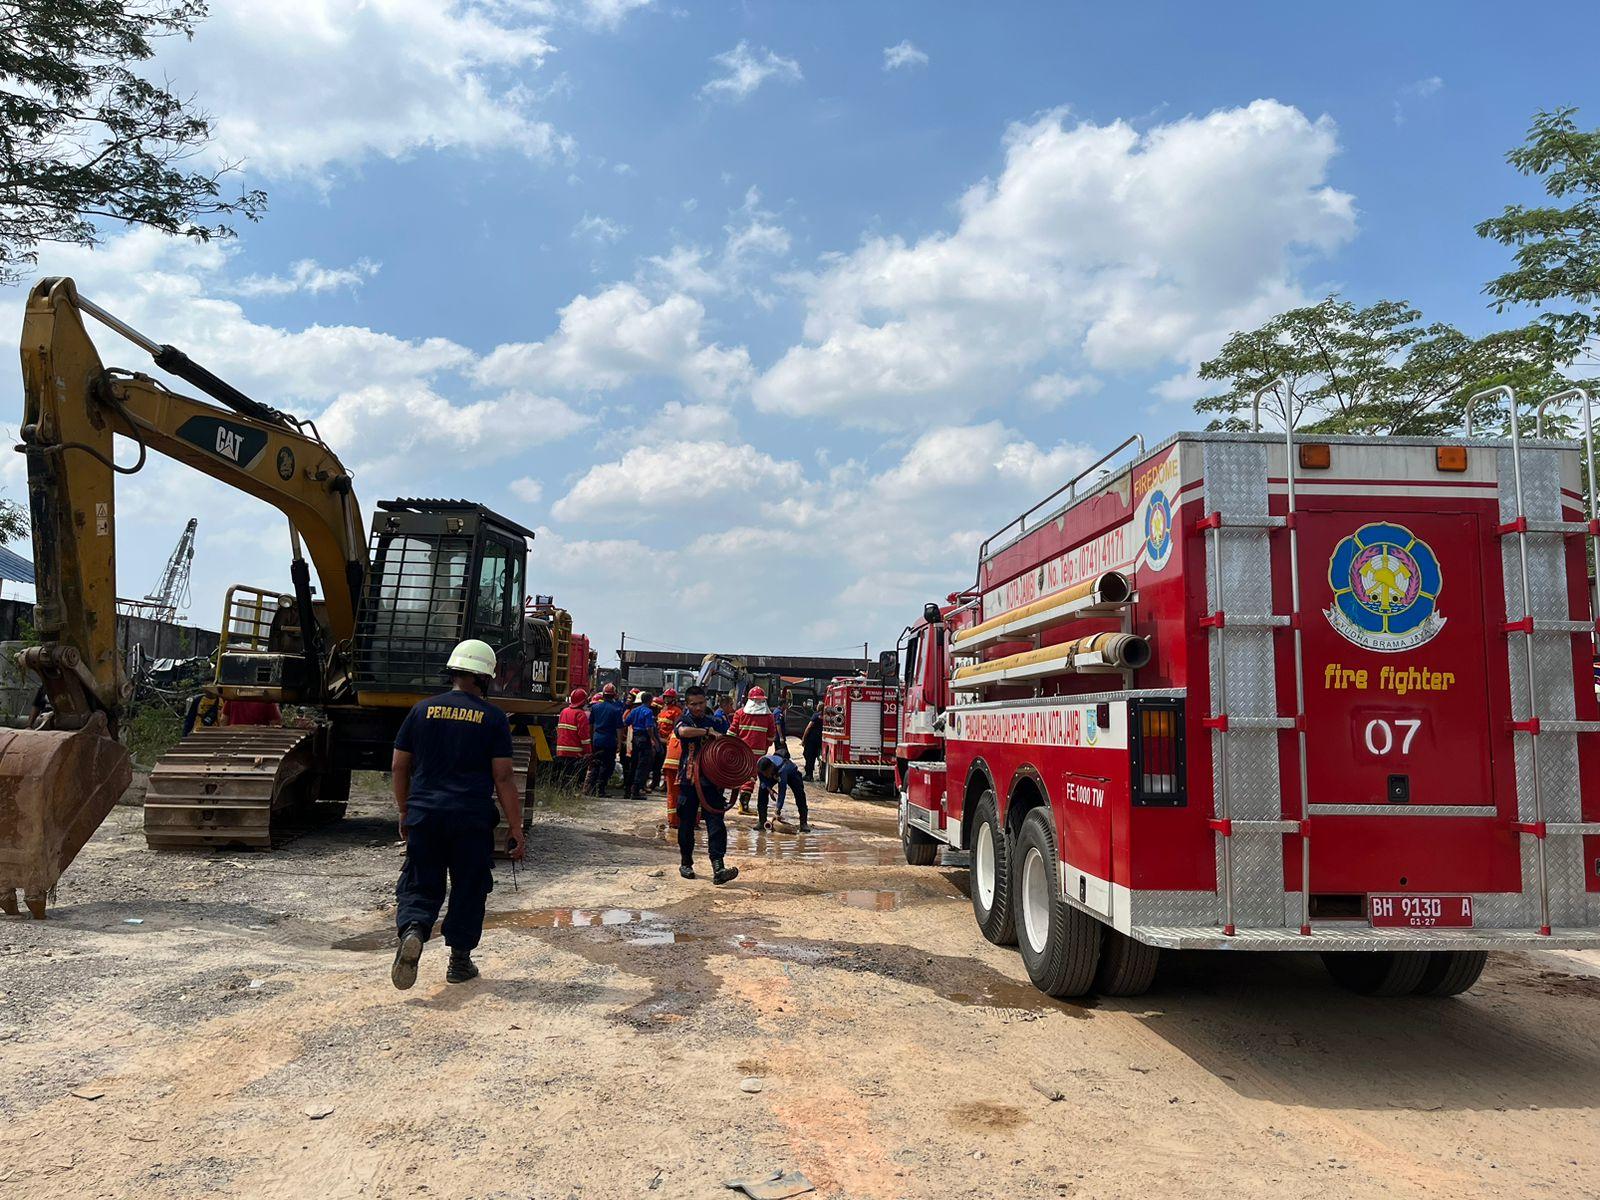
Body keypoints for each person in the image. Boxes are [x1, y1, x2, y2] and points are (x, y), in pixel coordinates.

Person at [390, 638, 524, 990]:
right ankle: (459, 963)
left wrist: (405, 810)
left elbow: (399, 766)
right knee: (469, 886)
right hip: (470, 819)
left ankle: (415, 930)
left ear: (453, 671)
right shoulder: (493, 718)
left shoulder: (421, 710)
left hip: (425, 815)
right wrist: (516, 827)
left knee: (420, 881)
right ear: (486, 677)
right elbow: (504, 776)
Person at [674, 684, 739, 884]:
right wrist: (706, 732)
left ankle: (718, 868)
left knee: (716, 823)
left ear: (706, 702)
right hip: (689, 780)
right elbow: (682, 732)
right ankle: (686, 863)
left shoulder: (716, 721)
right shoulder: (684, 720)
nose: (698, 708)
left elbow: (727, 744)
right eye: (693, 704)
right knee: (686, 824)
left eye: (701, 703)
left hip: (712, 782)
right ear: (687, 704)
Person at [728, 686, 781, 815]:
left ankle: (738, 803)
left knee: (741, 776)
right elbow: (771, 736)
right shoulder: (768, 716)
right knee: (751, 777)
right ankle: (743, 806)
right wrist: (765, 746)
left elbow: (731, 733)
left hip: (741, 752)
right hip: (758, 754)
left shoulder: (740, 713)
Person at [585, 682, 624, 796]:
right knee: (606, 765)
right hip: (609, 741)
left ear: (603, 694)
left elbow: (591, 725)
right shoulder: (616, 710)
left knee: (595, 764)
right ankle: (600, 790)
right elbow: (619, 728)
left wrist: (591, 739)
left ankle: (590, 789)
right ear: (614, 695)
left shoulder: (595, 708)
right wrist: (619, 744)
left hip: (597, 739)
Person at [755, 751, 810, 832]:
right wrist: (769, 789)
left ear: (770, 768)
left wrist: (777, 810)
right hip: (774, 773)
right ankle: (762, 821)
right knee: (762, 791)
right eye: (764, 773)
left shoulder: (782, 769)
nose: (766, 775)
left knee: (799, 794)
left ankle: (803, 823)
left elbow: (782, 791)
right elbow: (763, 780)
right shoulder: (759, 767)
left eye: (767, 773)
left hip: (791, 773)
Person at [625, 690, 660, 799]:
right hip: (644, 738)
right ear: (650, 701)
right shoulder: (648, 712)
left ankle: (627, 790)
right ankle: (635, 791)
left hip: (635, 738)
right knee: (642, 765)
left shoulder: (634, 710)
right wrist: (653, 739)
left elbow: (626, 722)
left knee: (634, 764)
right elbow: (649, 727)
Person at [554, 687, 591, 786]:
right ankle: (572, 791)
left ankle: (563, 791)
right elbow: (584, 737)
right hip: (574, 752)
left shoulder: (564, 712)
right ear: (583, 701)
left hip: (561, 751)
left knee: (564, 774)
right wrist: (588, 752)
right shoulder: (580, 714)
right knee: (574, 775)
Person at [653, 688, 682, 792]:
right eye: (666, 697)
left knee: (667, 765)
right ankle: (654, 783)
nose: (667, 699)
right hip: (658, 740)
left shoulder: (677, 711)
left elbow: (676, 728)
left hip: (668, 742)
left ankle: (666, 784)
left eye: (669, 697)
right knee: (656, 764)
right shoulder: (662, 710)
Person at [801, 708, 824, 781]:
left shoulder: (816, 716)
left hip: (811, 740)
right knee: (813, 757)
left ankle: (809, 775)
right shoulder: (826, 717)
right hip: (819, 741)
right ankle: (811, 774)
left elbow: (808, 727)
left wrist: (803, 739)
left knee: (808, 755)